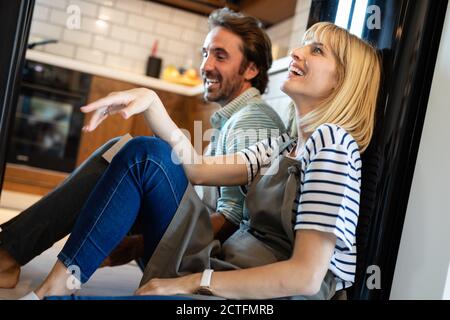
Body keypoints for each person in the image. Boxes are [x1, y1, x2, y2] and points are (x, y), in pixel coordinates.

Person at [20, 21, 381, 300]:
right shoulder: (284, 143)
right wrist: (151, 101)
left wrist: (193, 283)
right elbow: (195, 168)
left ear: (341, 83)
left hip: (269, 293)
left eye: (316, 50)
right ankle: (57, 284)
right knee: (147, 153)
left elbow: (306, 277)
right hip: (224, 263)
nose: (298, 53)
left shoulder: (332, 145)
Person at [0, 8, 285, 289]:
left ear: (251, 69)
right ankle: (9, 253)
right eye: (205, 53)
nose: (206, 65)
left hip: (206, 261)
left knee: (143, 155)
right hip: (192, 237)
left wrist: (138, 245)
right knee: (120, 151)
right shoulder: (234, 117)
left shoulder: (253, 119)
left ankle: (11, 255)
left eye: (220, 56)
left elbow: (232, 220)